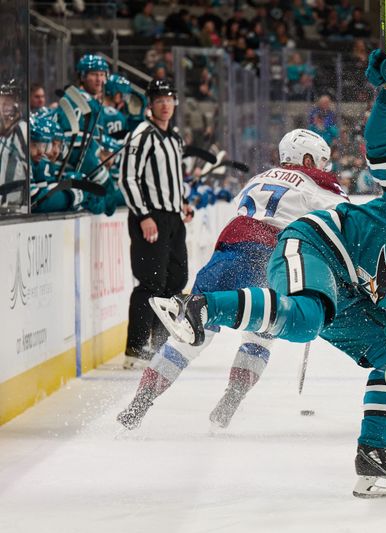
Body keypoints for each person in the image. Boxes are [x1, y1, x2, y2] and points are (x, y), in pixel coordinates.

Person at [150, 52, 386, 498]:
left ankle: (373, 457)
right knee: (307, 317)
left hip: (348, 297)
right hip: (315, 244)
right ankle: (200, 308)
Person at [117, 129, 349, 430]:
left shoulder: (259, 178)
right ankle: (232, 398)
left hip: (227, 250)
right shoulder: (321, 185)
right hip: (269, 255)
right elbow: (345, 226)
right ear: (306, 158)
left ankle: (141, 401)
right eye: (320, 160)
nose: (323, 167)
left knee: (189, 333)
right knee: (261, 334)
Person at [118, 79, 193, 368]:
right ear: (150, 103)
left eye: (169, 98)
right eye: (159, 99)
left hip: (173, 217)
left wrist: (182, 203)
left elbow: (175, 179)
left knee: (175, 280)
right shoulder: (142, 135)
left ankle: (160, 343)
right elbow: (128, 178)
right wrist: (143, 215)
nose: (165, 104)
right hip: (150, 217)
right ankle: (136, 349)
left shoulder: (174, 138)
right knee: (150, 281)